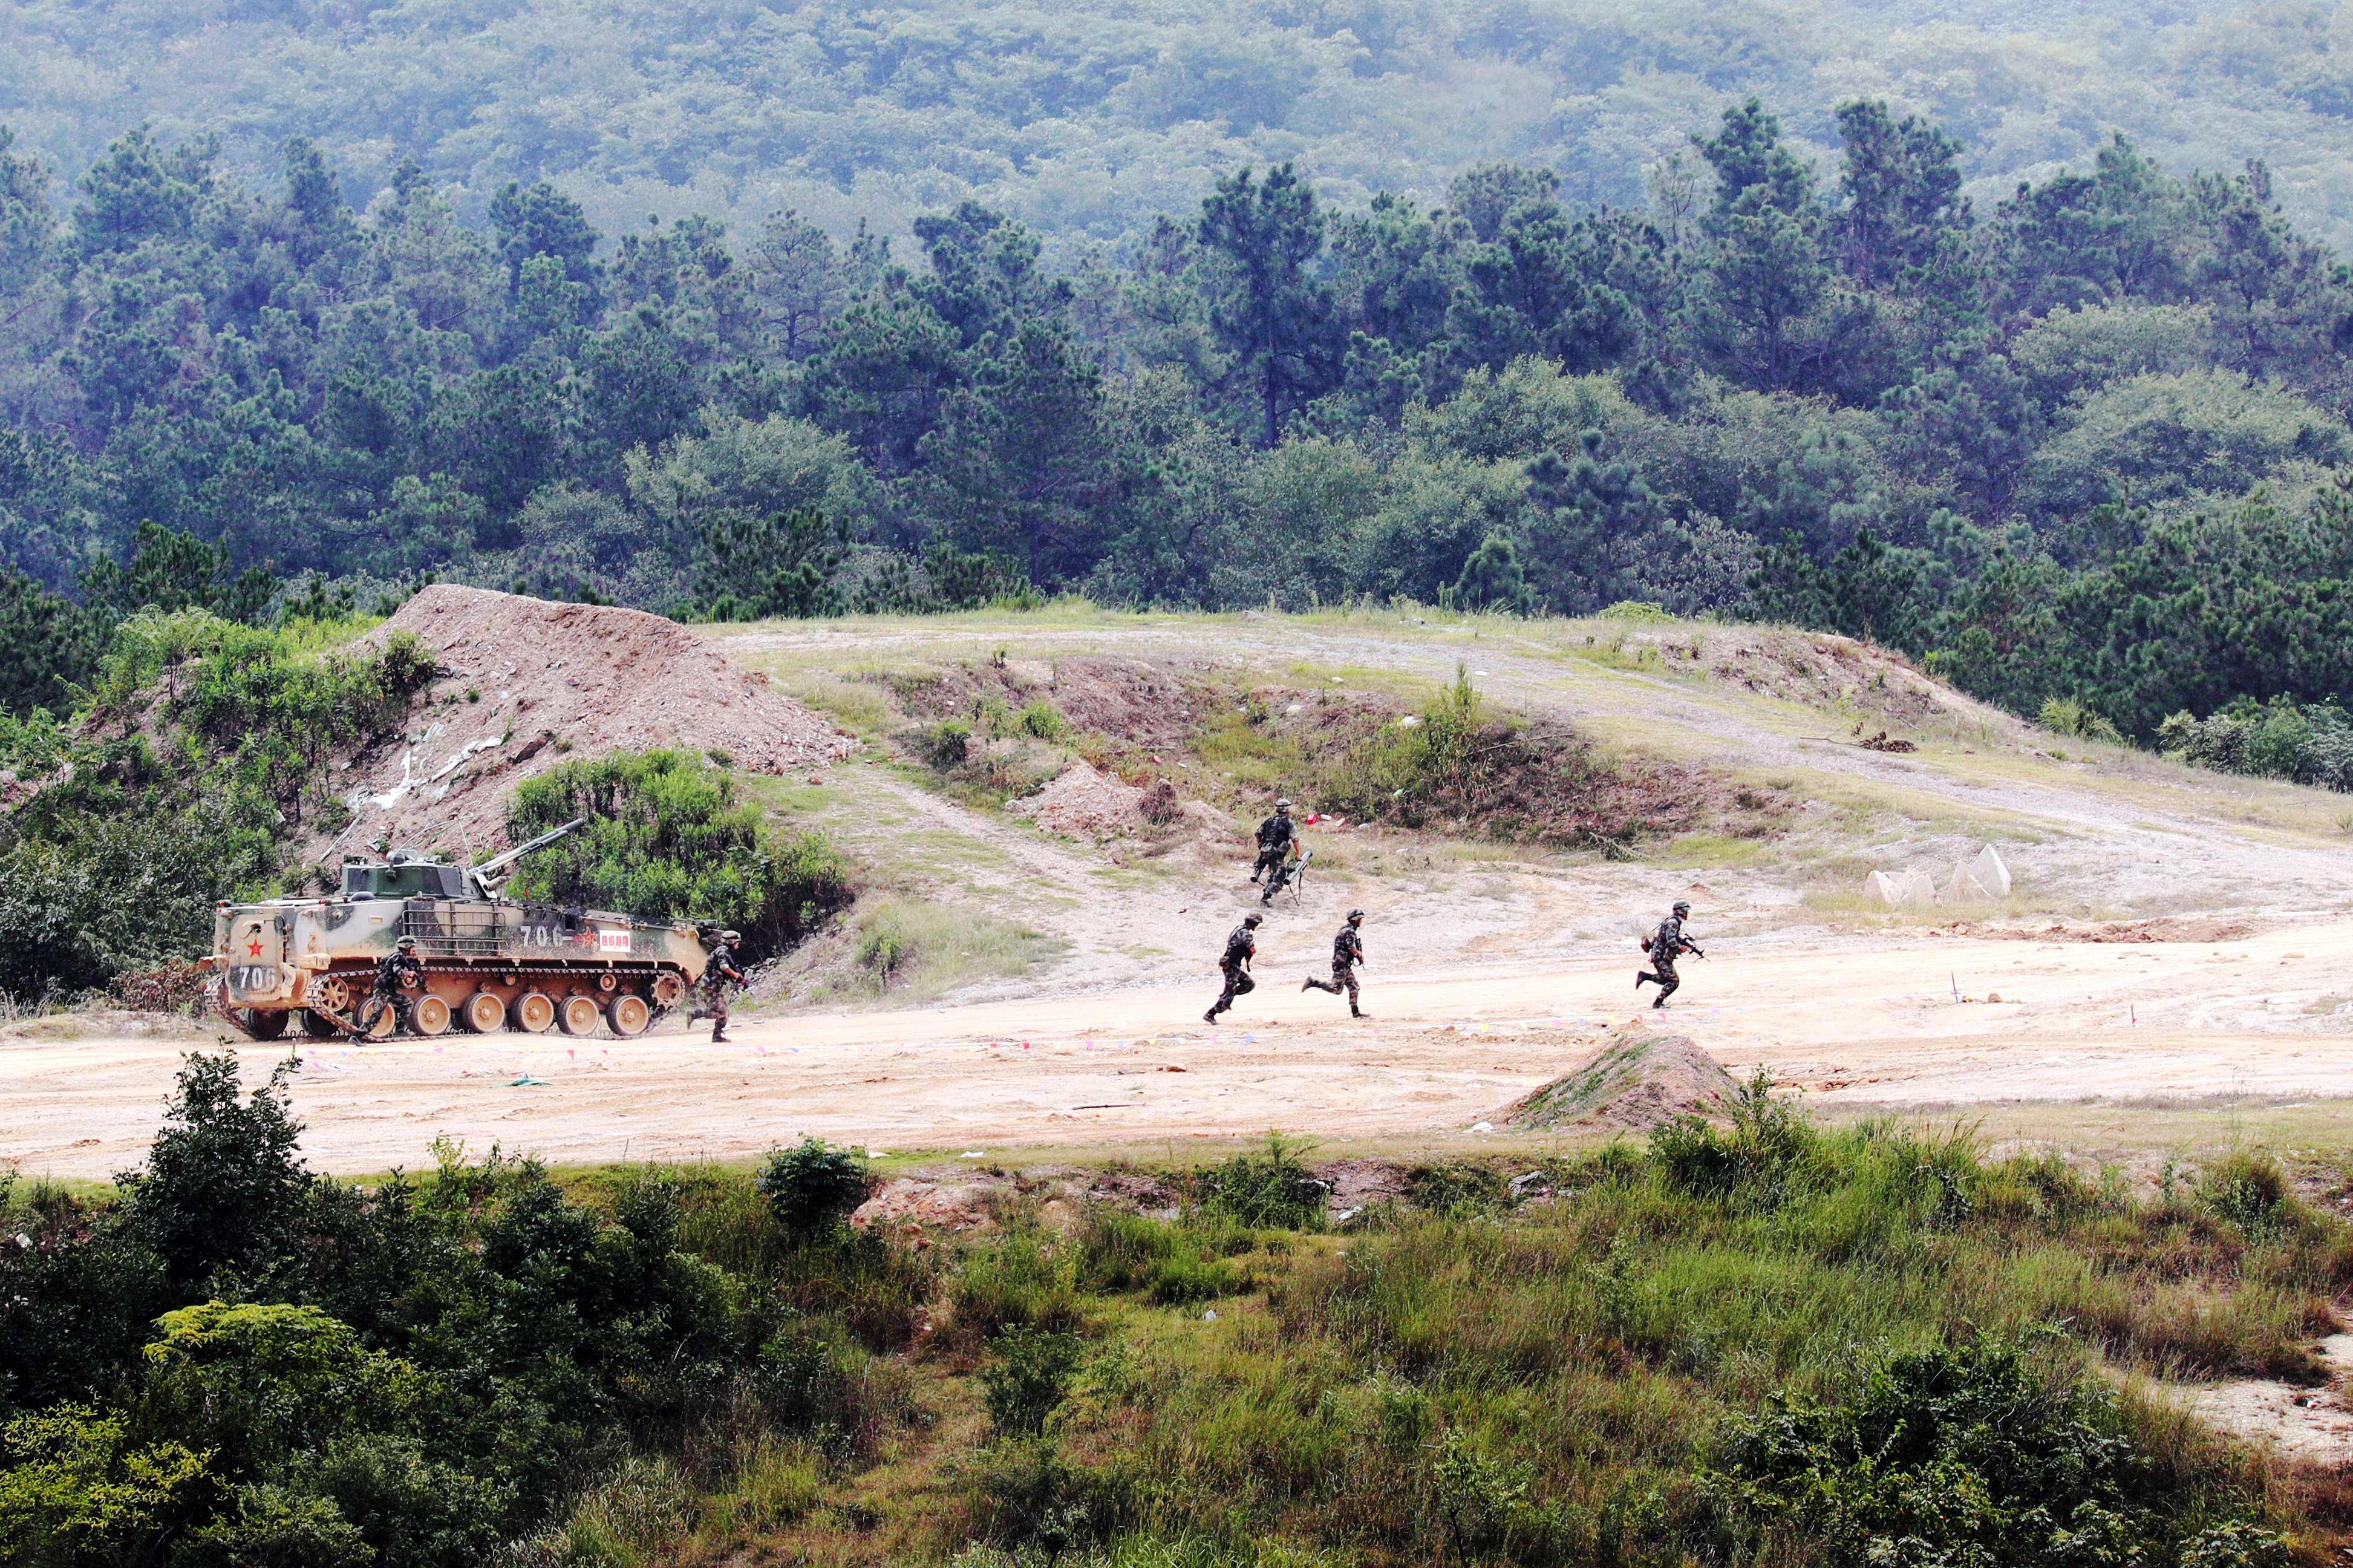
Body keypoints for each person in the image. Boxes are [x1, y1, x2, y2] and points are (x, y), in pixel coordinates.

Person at [1636, 900, 1703, 1008]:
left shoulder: (1671, 921)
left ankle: (1645, 977)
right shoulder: (1674, 922)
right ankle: (1658, 1003)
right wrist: (1681, 948)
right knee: (1673, 981)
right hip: (1661, 955)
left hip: (1659, 954)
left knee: (1664, 979)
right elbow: (1670, 941)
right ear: (1683, 912)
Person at [1302, 908, 1367, 1017]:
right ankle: (1313, 982)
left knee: (1354, 987)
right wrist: (1359, 954)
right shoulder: (1350, 932)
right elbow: (1351, 948)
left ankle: (1356, 1013)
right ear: (1357, 919)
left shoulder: (1345, 930)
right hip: (1341, 965)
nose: (1361, 922)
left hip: (1344, 964)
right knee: (1336, 989)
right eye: (1360, 919)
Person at [1206, 912, 1262, 1023]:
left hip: (1233, 966)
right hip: (1232, 966)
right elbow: (1252, 950)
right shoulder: (1245, 933)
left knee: (1249, 984)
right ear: (1253, 923)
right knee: (1230, 993)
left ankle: (1227, 996)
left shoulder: (1239, 929)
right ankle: (1211, 1014)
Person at [689, 929, 745, 1041]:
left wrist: (739, 978)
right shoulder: (723, 951)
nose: (738, 946)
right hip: (711, 985)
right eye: (737, 943)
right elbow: (724, 967)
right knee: (722, 1011)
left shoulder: (722, 951)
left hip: (711, 985)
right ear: (732, 942)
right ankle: (696, 1015)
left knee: (721, 1011)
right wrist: (735, 974)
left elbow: (723, 970)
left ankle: (716, 1035)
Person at [364, 935, 425, 1035]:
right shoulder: (398, 958)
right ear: (407, 947)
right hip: (383, 990)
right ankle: (360, 1035)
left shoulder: (403, 958)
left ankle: (400, 1031)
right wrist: (408, 974)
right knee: (377, 1015)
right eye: (412, 947)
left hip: (390, 990)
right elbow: (397, 971)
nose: (414, 950)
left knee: (407, 1003)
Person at [1250, 799, 1296, 885]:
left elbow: (1258, 834)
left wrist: (1260, 846)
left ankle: (1267, 888)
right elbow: (1295, 839)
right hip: (1277, 852)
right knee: (1277, 877)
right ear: (1286, 809)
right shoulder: (1289, 822)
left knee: (1270, 868)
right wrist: (1298, 854)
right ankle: (1267, 896)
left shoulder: (1270, 820)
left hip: (1265, 851)